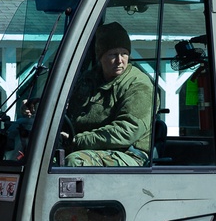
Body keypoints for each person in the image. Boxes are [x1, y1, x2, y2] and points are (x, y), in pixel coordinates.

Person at [64, 22, 153, 167]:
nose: (119, 60)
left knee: (76, 162)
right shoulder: (88, 79)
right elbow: (67, 109)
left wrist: (78, 140)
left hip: (127, 155)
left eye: (124, 54)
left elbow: (128, 131)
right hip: (88, 148)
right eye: (113, 54)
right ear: (100, 56)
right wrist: (38, 108)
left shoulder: (138, 85)